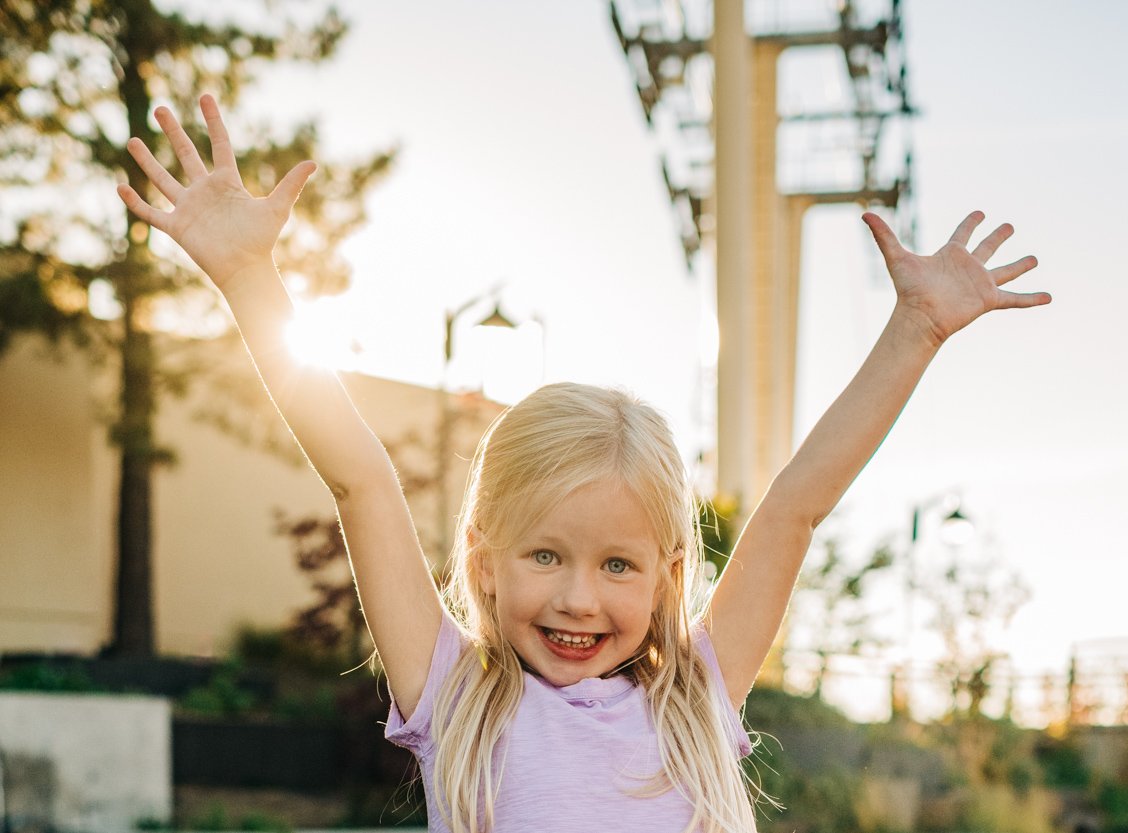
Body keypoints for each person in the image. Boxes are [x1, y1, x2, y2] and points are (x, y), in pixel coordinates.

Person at [118, 95, 1050, 833]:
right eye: (545, 556)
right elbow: (361, 479)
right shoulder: (453, 692)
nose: (577, 598)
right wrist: (251, 280)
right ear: (483, 561)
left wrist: (915, 332)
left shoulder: (697, 693)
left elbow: (796, 508)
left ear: (666, 578)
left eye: (617, 565)